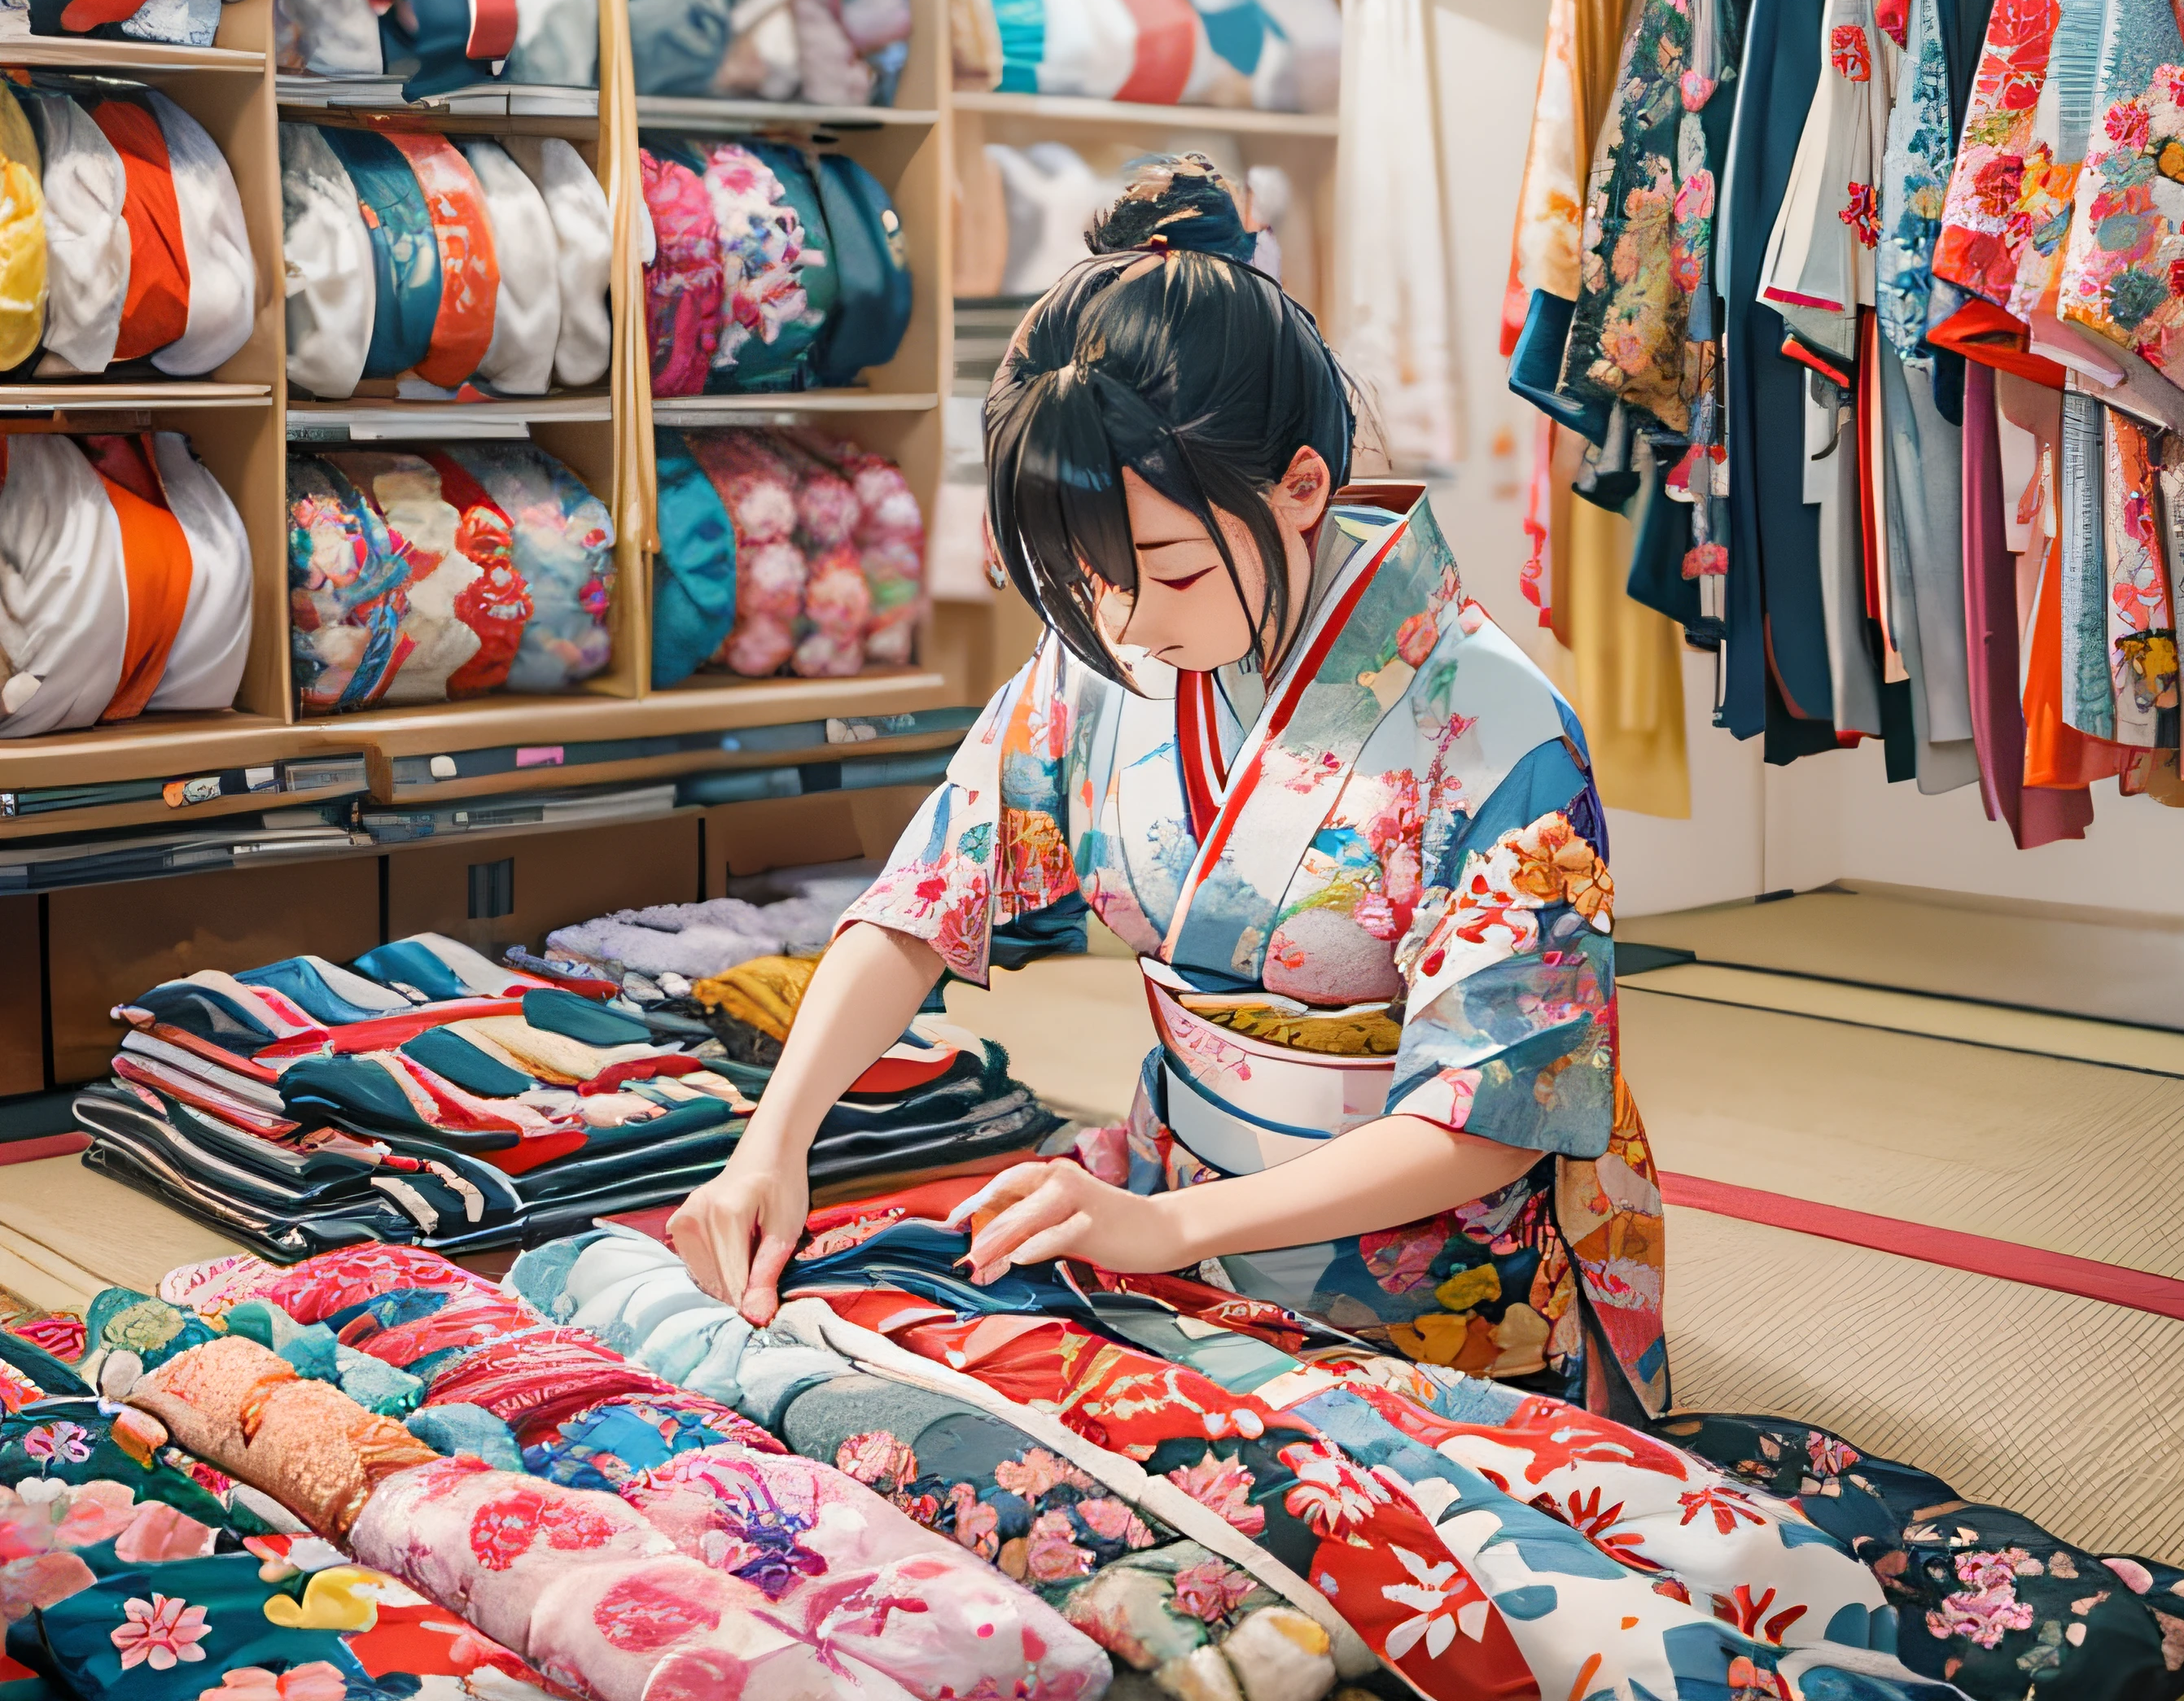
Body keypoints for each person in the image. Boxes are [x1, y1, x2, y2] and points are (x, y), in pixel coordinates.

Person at [670, 154, 1666, 1420]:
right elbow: (927, 897)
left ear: (1303, 489)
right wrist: (776, 1140)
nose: (1124, 619)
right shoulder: (1109, 653)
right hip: (1171, 1212)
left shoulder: (1499, 723)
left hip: (1447, 1285)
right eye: (1083, 579)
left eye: (1170, 569)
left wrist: (1167, 1227)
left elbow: (1499, 1109)